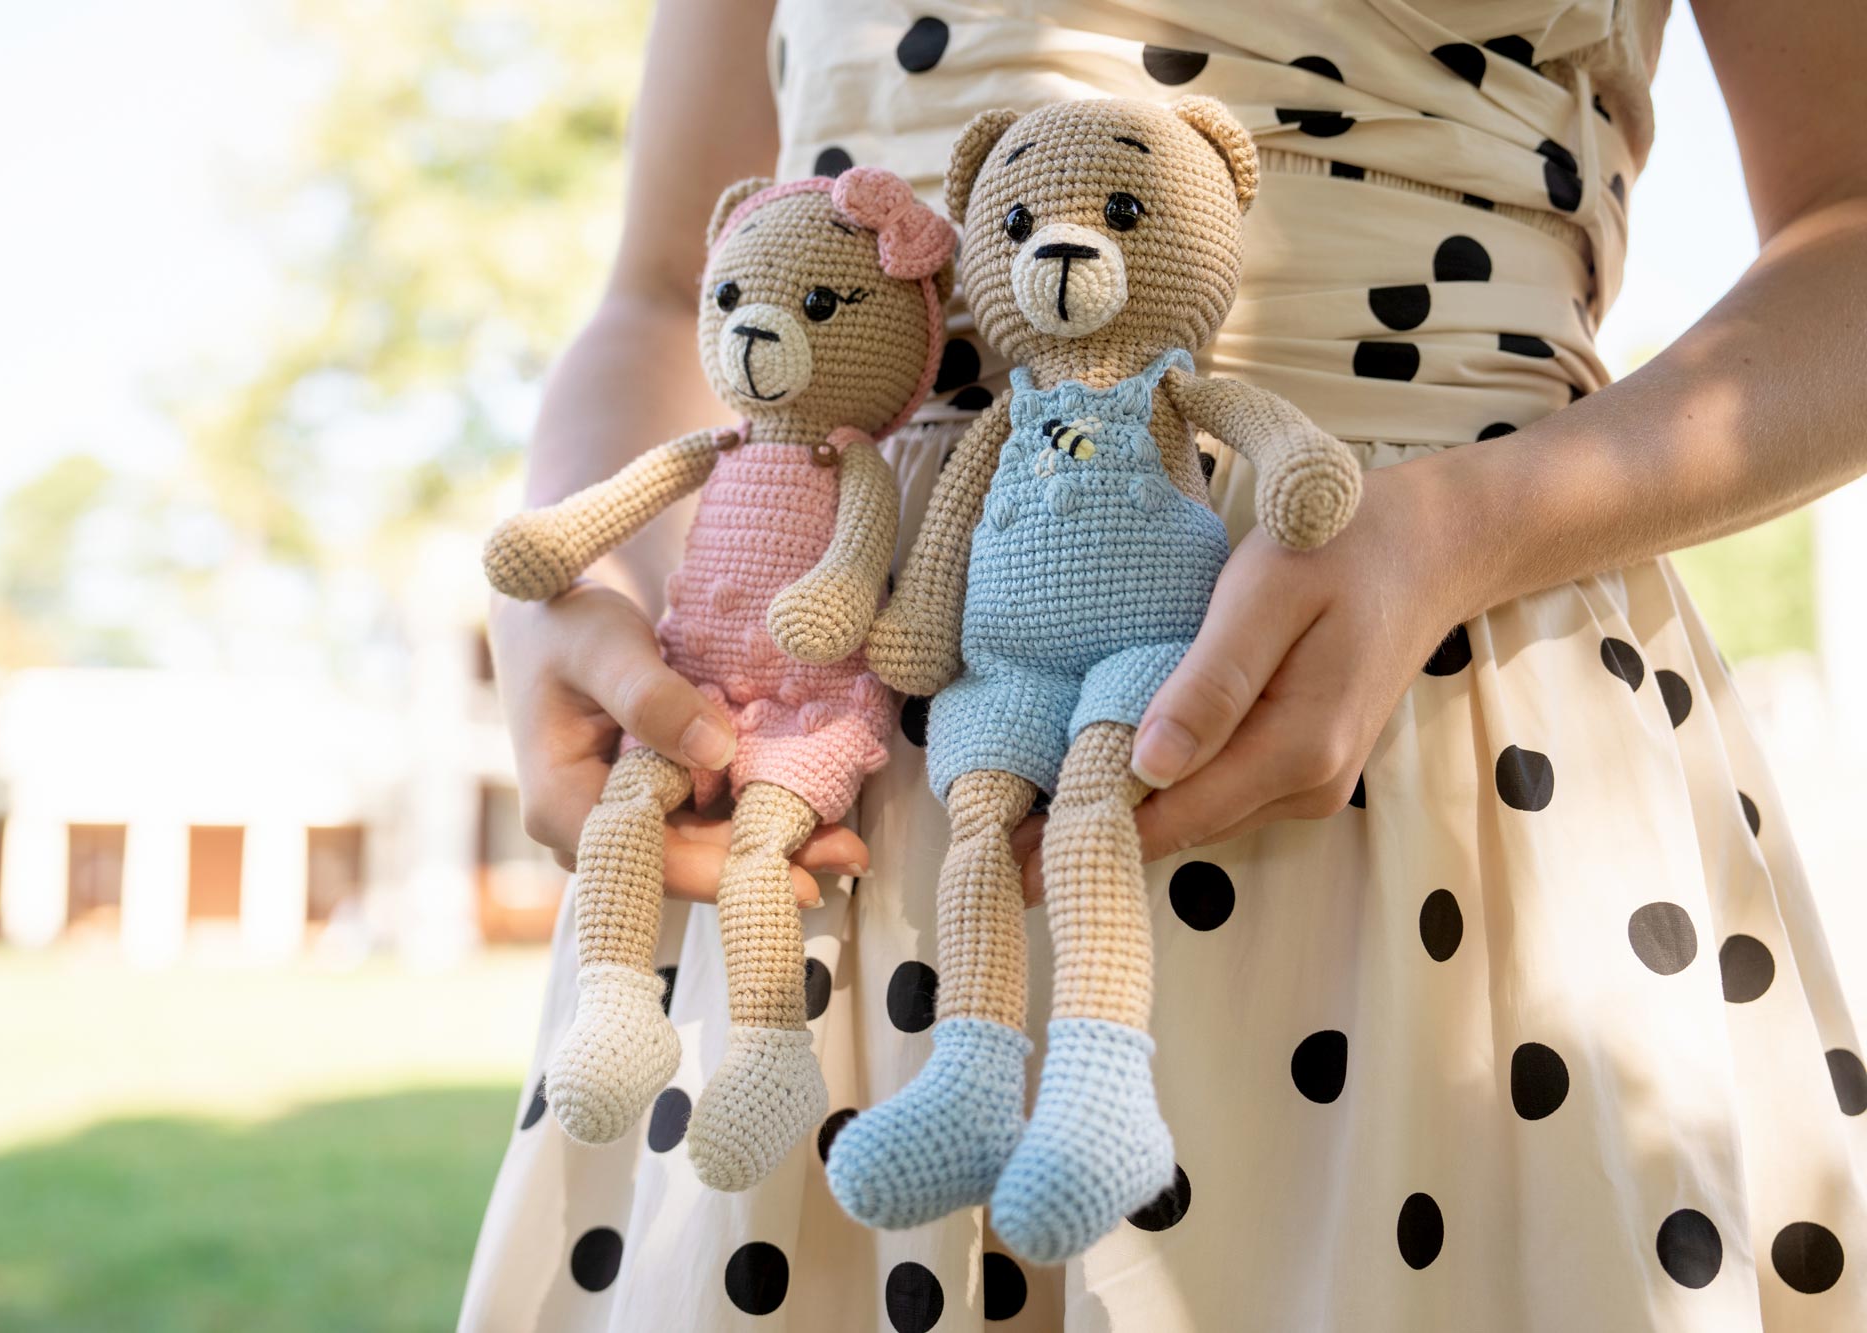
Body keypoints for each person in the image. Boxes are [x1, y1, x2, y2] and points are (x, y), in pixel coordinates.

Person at [461, 1, 1867, 1328]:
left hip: (1447, 705)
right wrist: (575, 589)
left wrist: (1461, 531)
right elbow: (661, 291)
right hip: (856, 762)